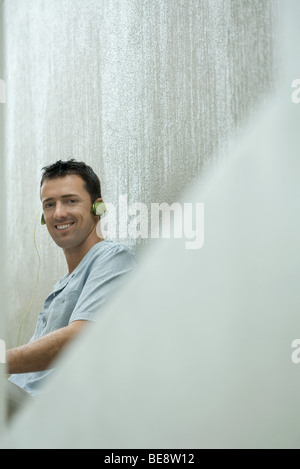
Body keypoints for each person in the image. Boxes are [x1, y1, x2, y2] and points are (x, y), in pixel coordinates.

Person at [6, 159, 136, 419]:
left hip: (47, 414)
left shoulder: (113, 258)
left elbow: (80, 339)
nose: (59, 213)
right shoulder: (62, 286)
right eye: (49, 204)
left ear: (98, 207)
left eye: (71, 201)